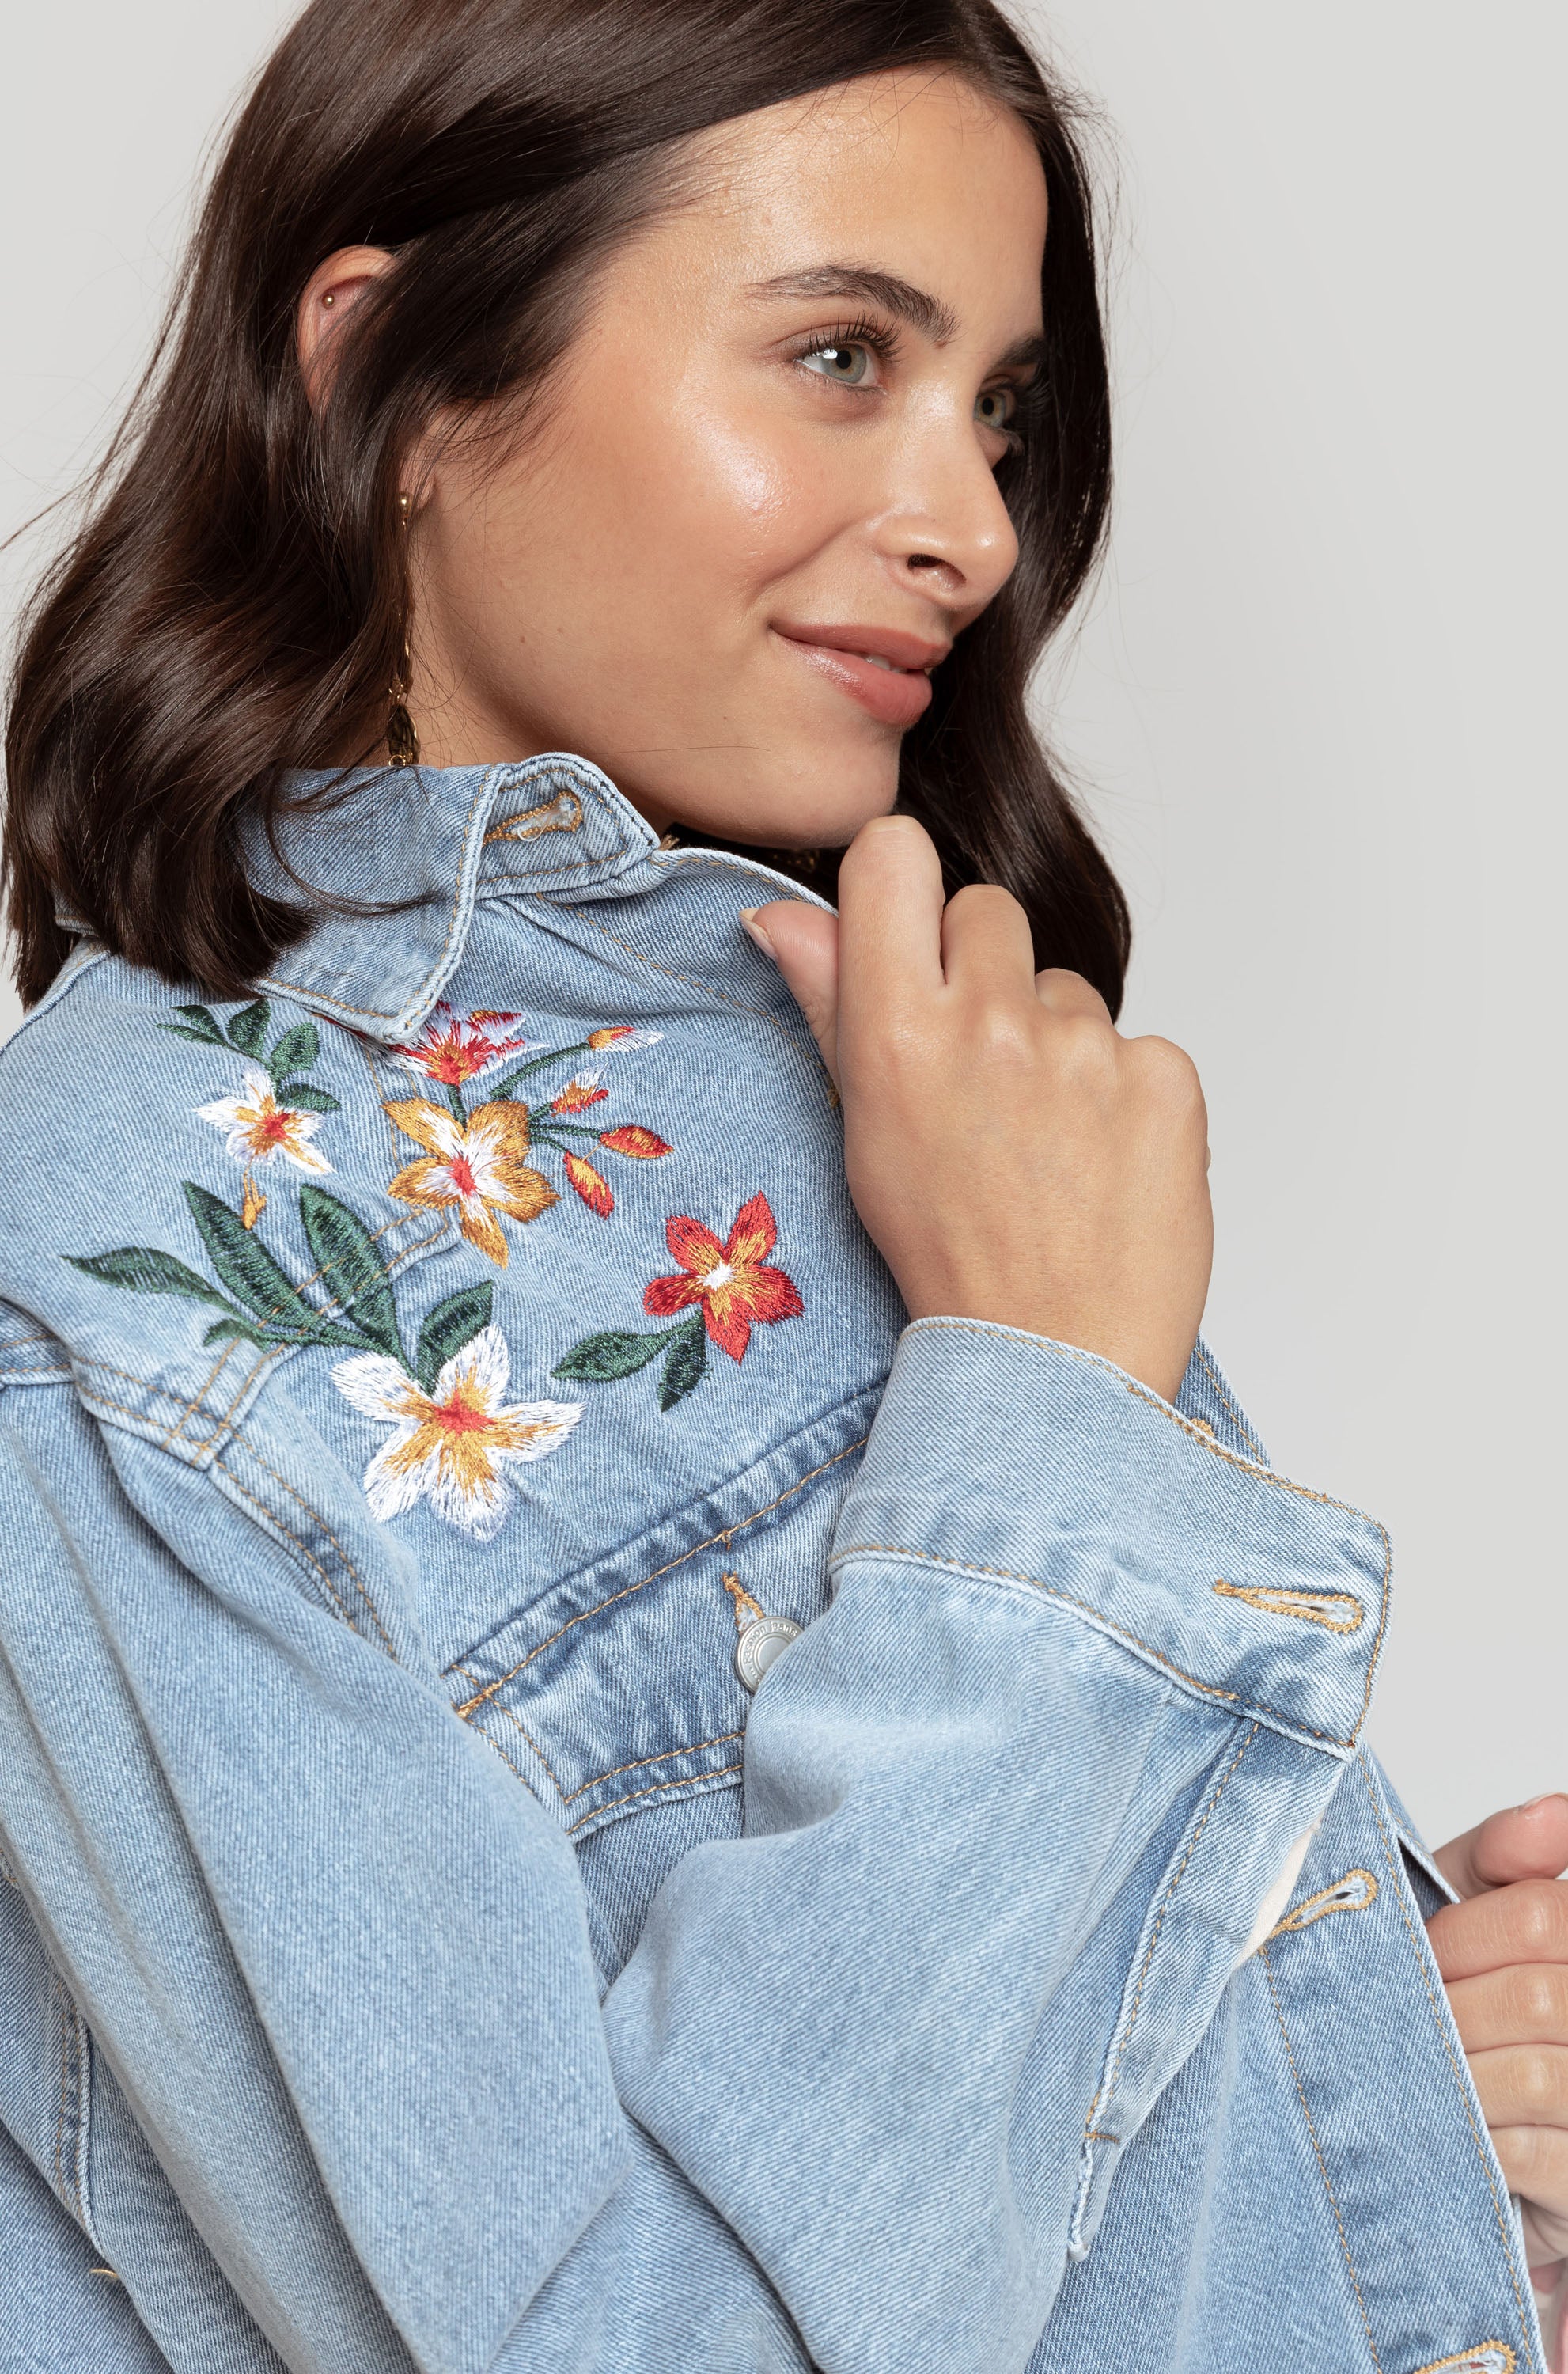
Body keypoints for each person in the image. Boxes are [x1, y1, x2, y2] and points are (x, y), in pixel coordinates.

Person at [2, 2, 1565, 2368]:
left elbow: (956, 2179)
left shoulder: (859, 1062)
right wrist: (1047, 1417)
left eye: (999, 410)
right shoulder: (116, 1320)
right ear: (389, 376)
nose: (974, 526)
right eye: (842, 357)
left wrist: (1392, 2104)